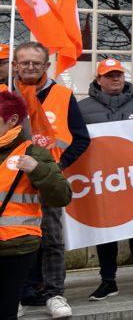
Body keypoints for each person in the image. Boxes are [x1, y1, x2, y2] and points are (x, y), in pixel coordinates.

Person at [77, 59, 133, 299]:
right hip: (101, 180)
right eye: (109, 75)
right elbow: (74, 139)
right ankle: (108, 281)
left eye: (118, 74)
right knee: (106, 232)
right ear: (98, 80)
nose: (115, 78)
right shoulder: (81, 108)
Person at [13, 42, 90, 317]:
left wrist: (59, 166)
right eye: (24, 62)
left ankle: (55, 295)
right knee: (13, 241)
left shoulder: (63, 95)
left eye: (36, 63)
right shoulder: (5, 95)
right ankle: (14, 296)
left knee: (52, 240)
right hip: (10, 183)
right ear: (15, 65)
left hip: (48, 180)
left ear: (46, 66)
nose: (30, 67)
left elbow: (81, 139)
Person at [0, 91, 71, 320]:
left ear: (12, 120)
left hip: (16, 246)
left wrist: (38, 170)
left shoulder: (33, 154)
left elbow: (62, 196)